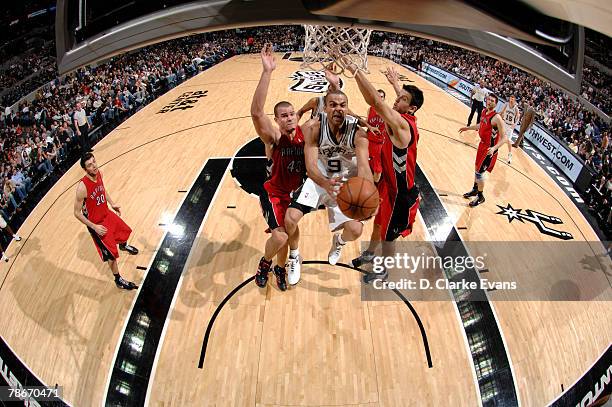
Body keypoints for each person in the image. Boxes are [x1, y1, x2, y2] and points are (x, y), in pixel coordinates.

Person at [340, 61, 424, 283]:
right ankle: (369, 254)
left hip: (400, 195)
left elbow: (376, 102)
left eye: (403, 99)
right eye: (399, 96)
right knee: (378, 223)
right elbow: (400, 101)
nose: (397, 100)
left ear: (412, 108)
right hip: (388, 184)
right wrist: (397, 84)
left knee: (388, 237)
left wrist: (354, 70)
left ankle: (383, 271)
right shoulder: (404, 114)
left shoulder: (403, 126)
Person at [284, 90, 373, 284]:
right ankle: (294, 255)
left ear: (347, 108)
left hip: (346, 183)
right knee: (290, 219)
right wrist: (325, 183)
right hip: (321, 179)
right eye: (333, 105)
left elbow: (365, 168)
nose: (338, 109)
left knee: (356, 230)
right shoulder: (313, 128)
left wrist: (367, 189)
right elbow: (311, 166)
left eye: (342, 105)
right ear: (325, 108)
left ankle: (339, 242)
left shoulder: (358, 133)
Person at [251, 44, 305, 290]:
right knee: (281, 235)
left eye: (292, 113)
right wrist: (267, 72)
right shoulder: (273, 137)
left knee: (289, 232)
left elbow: (323, 107)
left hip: (294, 194)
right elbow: (256, 112)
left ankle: (280, 268)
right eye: (283, 115)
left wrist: (335, 85)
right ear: (277, 120)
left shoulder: (306, 133)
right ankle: (265, 263)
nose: (289, 117)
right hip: (273, 192)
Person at [73, 153, 140, 289]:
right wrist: (94, 227)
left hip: (106, 213)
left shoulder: (100, 174)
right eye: (90, 165)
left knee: (123, 230)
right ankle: (118, 280)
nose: (94, 166)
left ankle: (123, 245)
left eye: (94, 162)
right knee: (111, 255)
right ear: (85, 170)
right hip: (97, 223)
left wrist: (112, 203)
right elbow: (76, 213)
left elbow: (102, 190)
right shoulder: (82, 187)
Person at [459, 94, 508, 207]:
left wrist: (494, 148)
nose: (489, 102)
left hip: (489, 150)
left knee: (480, 173)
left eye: (492, 101)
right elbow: (480, 125)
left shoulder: (497, 118)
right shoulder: (484, 111)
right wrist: (468, 128)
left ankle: (481, 196)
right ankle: (475, 189)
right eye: (488, 100)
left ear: (496, 104)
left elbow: (505, 137)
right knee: (477, 169)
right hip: (482, 145)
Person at [499, 95, 520, 164]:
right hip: (504, 123)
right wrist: (499, 115)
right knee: (499, 137)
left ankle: (510, 154)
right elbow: (502, 112)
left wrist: (515, 124)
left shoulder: (516, 108)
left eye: (512, 99)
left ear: (514, 100)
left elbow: (518, 117)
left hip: (510, 125)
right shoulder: (506, 104)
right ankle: (495, 149)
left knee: (508, 141)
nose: (511, 99)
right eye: (510, 98)